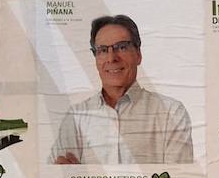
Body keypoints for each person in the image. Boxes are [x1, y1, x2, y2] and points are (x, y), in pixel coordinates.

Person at [51, 14, 193, 165]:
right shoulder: (75, 117)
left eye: (122, 47)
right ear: (96, 58)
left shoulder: (171, 112)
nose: (112, 58)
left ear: (138, 54)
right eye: (103, 50)